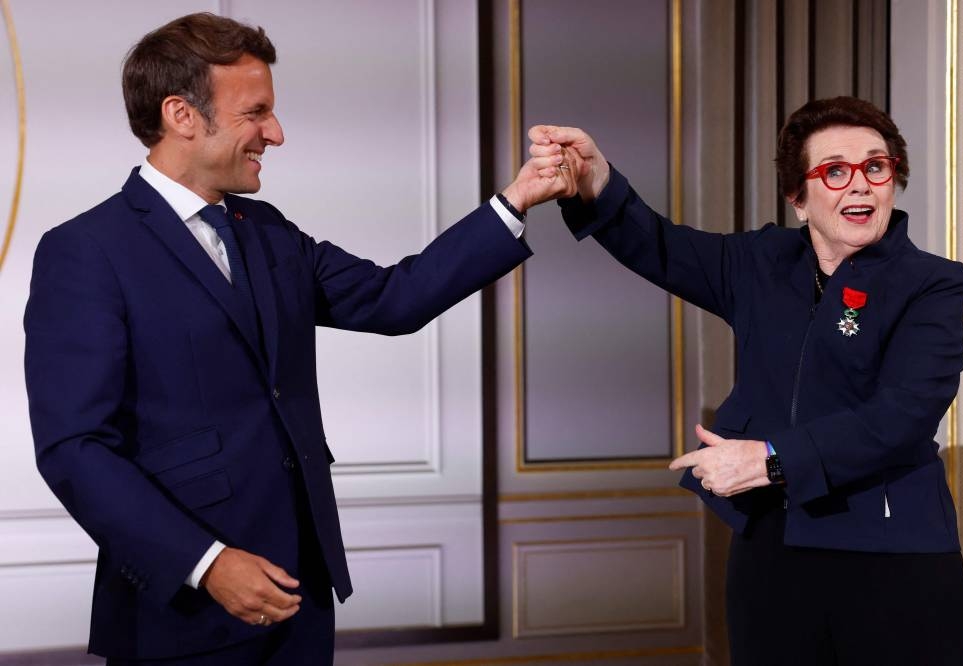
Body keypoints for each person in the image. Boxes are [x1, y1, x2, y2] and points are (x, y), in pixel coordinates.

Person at [23, 12, 575, 666]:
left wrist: (515, 200)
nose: (276, 134)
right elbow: (76, 449)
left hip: (299, 596)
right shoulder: (85, 252)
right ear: (181, 115)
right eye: (256, 113)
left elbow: (394, 299)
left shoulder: (269, 231)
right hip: (181, 615)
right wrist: (208, 564)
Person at [530, 97, 963, 665]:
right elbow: (660, 246)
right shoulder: (760, 261)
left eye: (876, 167)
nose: (860, 185)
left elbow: (905, 415)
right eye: (835, 171)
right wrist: (595, 181)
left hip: (894, 556)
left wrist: (770, 459)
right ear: (798, 197)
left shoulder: (933, 282)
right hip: (771, 552)